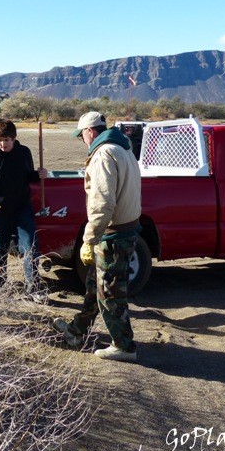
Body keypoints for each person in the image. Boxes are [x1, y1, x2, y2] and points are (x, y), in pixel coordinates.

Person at [52, 111, 141, 362]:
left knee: (110, 293)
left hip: (112, 235)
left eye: (82, 136)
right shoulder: (123, 149)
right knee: (95, 286)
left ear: (90, 131)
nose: (83, 141)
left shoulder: (103, 154)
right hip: (125, 230)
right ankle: (77, 331)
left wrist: (89, 239)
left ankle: (124, 346)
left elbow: (103, 203)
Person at [0, 120, 48, 301]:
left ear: (14, 138)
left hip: (22, 208)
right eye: (0, 140)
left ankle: (33, 288)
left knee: (30, 247)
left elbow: (29, 176)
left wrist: (38, 174)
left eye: (7, 140)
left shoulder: (24, 152)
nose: (3, 144)